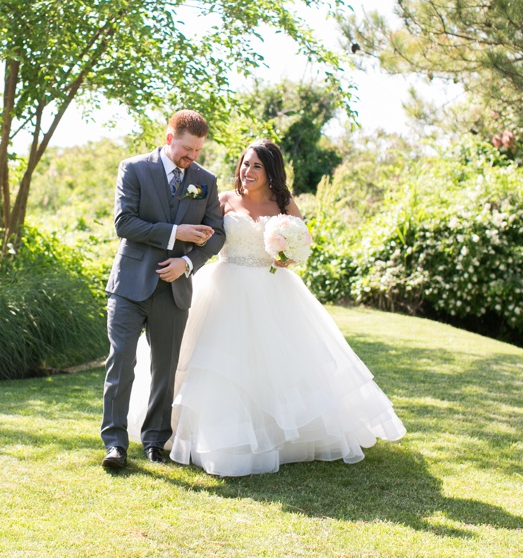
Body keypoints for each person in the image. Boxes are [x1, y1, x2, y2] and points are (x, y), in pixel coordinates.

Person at [130, 139, 405, 476]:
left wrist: (287, 254)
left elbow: (302, 243)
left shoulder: (284, 204)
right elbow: (206, 237)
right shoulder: (224, 199)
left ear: (271, 170)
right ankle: (190, 434)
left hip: (271, 288)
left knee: (275, 363)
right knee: (213, 363)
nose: (247, 171)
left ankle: (277, 436)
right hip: (223, 285)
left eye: (256, 166)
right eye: (245, 164)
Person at [101, 110, 225, 470]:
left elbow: (216, 233)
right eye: (187, 149)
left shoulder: (205, 180)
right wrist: (177, 234)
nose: (192, 157)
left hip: (174, 289)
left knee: (165, 370)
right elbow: (125, 222)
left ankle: (156, 441)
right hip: (129, 285)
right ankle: (115, 444)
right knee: (121, 364)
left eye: (198, 150)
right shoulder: (134, 168)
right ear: (170, 138)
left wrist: (186, 263)